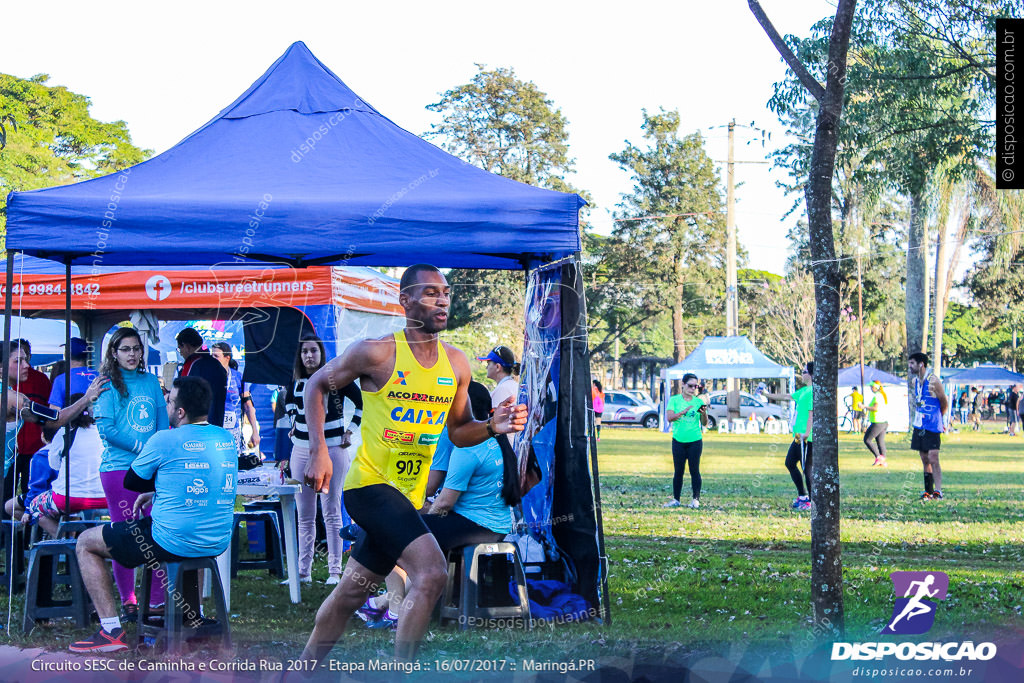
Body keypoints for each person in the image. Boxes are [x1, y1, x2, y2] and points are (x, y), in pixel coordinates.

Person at [298, 264, 526, 663]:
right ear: (405, 301)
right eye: (431, 292)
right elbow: (318, 383)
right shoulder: (377, 352)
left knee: (351, 593)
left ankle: (301, 670)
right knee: (432, 572)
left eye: (446, 292)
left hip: (408, 497)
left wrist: (491, 426)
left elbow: (458, 431)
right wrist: (319, 449)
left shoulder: (455, 364)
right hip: (368, 487)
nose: (442, 300)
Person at [70, 377, 238, 653]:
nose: (167, 404)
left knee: (86, 542)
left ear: (180, 412)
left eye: (170, 401)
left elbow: (133, 481)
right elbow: (202, 479)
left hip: (169, 540)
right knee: (171, 531)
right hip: (216, 540)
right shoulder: (225, 438)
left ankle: (111, 631)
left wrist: (157, 486)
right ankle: (190, 618)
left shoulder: (165, 439)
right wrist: (161, 491)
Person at [361, 382, 521, 630]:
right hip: (495, 524)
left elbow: (445, 502)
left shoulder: (467, 448)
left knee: (394, 532)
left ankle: (392, 609)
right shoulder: (497, 441)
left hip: (475, 524)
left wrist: (422, 523)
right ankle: (386, 602)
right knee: (412, 534)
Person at [93, 326, 169, 621]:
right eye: (126, 349)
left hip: (151, 471)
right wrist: (144, 449)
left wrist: (160, 452)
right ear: (114, 352)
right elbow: (108, 431)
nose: (133, 354)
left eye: (137, 348)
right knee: (124, 537)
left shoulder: (151, 381)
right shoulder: (106, 384)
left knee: (157, 533)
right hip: (119, 470)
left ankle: (157, 602)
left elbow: (162, 424)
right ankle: (129, 602)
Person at [281, 333, 362, 585]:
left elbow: (362, 404)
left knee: (332, 509)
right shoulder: (294, 382)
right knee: (304, 513)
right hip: (301, 450)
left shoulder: (336, 379)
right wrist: (295, 424)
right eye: (304, 351)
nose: (309, 356)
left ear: (321, 353)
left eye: (313, 351)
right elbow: (290, 407)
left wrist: (351, 430)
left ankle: (334, 571)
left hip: (334, 448)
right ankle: (302, 572)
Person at [28, 393, 107, 536]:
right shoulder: (105, 433)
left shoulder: (64, 433)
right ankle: (86, 542)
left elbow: (54, 465)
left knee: (33, 507)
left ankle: (67, 542)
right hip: (105, 497)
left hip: (68, 499)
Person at [766, 363, 814, 511]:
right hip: (798, 437)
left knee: (808, 469)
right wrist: (767, 395)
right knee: (790, 463)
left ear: (811, 374)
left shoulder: (813, 391)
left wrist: (806, 433)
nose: (803, 374)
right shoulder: (804, 390)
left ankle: (811, 501)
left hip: (807, 437)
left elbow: (812, 414)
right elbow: (786, 396)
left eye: (804, 372)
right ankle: (803, 496)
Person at [908, 352, 948, 501]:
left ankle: (938, 490)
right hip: (919, 425)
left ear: (921, 364)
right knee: (924, 458)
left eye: (912, 363)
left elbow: (944, 401)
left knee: (933, 457)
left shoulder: (933, 381)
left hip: (932, 425)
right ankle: (928, 491)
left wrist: (939, 418)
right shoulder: (915, 381)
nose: (909, 366)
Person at [663, 373, 707, 509]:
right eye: (690, 385)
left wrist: (704, 413)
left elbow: (704, 423)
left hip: (695, 440)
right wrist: (682, 412)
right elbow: (669, 418)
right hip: (678, 440)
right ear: (683, 384)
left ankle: (696, 500)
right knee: (678, 471)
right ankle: (676, 499)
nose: (693, 388)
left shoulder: (698, 402)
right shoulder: (674, 400)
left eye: (695, 386)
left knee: (694, 470)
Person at [210, 342, 260, 453]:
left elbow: (248, 406)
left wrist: (255, 432)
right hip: (213, 430)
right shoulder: (208, 376)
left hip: (233, 430)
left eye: (216, 356)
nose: (212, 359)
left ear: (227, 358)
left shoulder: (238, 377)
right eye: (211, 356)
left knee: (232, 463)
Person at [176, 327, 227, 429]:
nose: (180, 352)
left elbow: (182, 394)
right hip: (216, 423)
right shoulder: (216, 364)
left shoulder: (192, 364)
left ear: (186, 346)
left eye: (180, 348)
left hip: (196, 427)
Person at [477, 345, 520, 410]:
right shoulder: (510, 385)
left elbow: (495, 419)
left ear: (497, 367)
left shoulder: (503, 389)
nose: (486, 367)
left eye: (488, 364)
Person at [864, 381, 889, 467]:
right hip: (884, 422)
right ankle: (882, 460)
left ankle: (878, 457)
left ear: (875, 387)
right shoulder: (882, 395)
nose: (870, 388)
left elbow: (875, 408)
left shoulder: (877, 396)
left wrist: (864, 407)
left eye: (871, 386)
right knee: (880, 441)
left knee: (867, 440)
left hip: (878, 422)